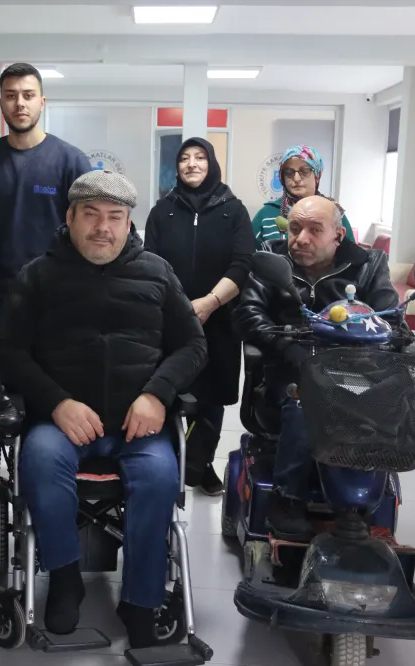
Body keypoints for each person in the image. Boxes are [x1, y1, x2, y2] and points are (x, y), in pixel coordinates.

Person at [0, 170, 208, 649]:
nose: (102, 228)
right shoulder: (38, 275)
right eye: (91, 215)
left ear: (129, 223)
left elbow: (193, 345)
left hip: (138, 425)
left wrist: (157, 394)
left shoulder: (157, 272)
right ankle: (64, 578)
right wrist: (57, 402)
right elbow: (8, 353)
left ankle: (141, 600)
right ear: (70, 217)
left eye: (115, 217)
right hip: (61, 422)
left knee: (159, 478)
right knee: (40, 462)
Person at [0, 62, 92, 508]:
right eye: (11, 96)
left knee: (49, 386)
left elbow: (89, 232)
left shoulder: (70, 161)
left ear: (42, 101)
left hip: (55, 301)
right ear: (1, 103)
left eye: (28, 95)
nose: (20, 103)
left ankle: (41, 468)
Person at [235, 196, 398, 540]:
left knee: (386, 402)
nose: (301, 239)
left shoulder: (368, 265)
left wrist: (395, 340)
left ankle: (361, 498)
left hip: (355, 369)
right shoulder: (273, 258)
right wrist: (288, 349)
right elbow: (248, 314)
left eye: (314, 230)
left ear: (339, 235)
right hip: (289, 370)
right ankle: (287, 498)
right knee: (304, 400)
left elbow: (390, 316)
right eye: (295, 228)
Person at [144, 137, 256, 496]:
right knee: (169, 389)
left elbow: (243, 264)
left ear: (212, 164)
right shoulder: (162, 211)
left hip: (219, 319)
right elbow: (150, 262)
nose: (191, 164)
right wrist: (179, 307)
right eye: (184, 158)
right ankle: (167, 462)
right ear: (176, 167)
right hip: (170, 319)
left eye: (200, 157)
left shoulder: (233, 210)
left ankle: (201, 464)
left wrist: (209, 302)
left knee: (210, 397)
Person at [250, 145, 355, 249]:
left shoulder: (334, 212)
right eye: (289, 172)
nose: (296, 178)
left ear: (317, 175)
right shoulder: (266, 214)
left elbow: (352, 255)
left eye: (304, 171)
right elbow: (250, 254)